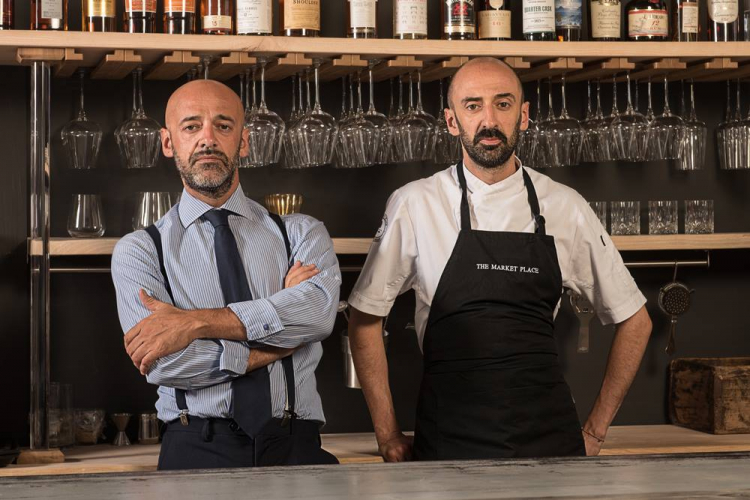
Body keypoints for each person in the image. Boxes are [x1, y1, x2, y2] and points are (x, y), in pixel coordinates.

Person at [347, 58, 653, 462]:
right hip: (449, 438)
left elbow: (637, 320)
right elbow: (364, 317)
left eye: (503, 104)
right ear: (452, 121)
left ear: (523, 116)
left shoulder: (564, 206)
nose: (488, 120)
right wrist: (386, 433)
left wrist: (595, 431)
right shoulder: (416, 203)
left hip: (551, 442)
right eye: (473, 106)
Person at [111, 79, 341, 470]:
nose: (207, 139)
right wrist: (282, 344)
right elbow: (164, 363)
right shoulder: (139, 250)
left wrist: (194, 324)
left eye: (223, 125)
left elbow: (317, 314)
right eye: (190, 126)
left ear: (244, 141)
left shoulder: (301, 232)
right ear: (168, 143)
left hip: (295, 445)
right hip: (196, 446)